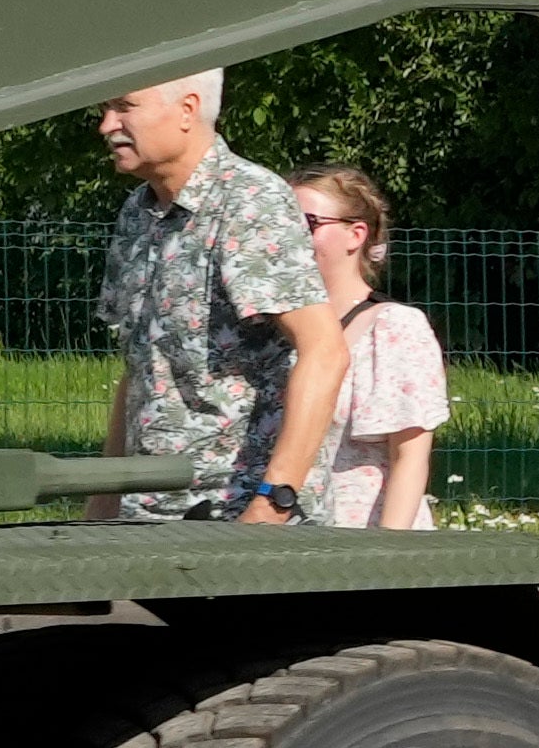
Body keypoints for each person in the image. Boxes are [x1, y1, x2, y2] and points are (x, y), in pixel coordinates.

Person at [91, 73, 341, 528]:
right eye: (106, 109)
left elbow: (325, 351)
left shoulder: (250, 200)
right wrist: (102, 505)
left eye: (125, 107)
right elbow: (141, 368)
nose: (107, 125)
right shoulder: (137, 211)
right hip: (147, 515)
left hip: (236, 521)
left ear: (187, 110)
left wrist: (272, 504)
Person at [295, 166, 450, 529]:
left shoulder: (393, 328)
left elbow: (410, 458)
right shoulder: (268, 330)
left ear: (356, 234)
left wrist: (386, 560)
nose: (289, 237)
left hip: (364, 545)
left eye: (308, 223)